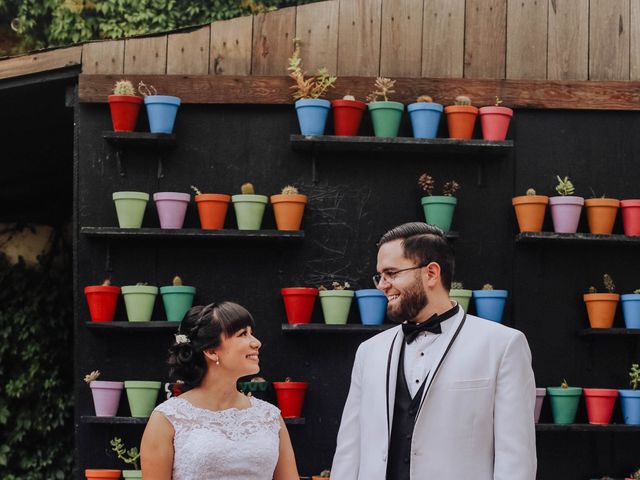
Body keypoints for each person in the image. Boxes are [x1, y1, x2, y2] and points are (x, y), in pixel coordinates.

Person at [331, 222, 536, 480]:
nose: (382, 285)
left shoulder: (503, 346)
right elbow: (350, 450)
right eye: (380, 276)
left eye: (391, 273)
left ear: (431, 273)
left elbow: (516, 460)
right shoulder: (369, 352)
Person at [141, 301, 300, 480]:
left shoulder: (270, 417)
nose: (256, 343)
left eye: (252, 333)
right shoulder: (167, 419)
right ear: (211, 350)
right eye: (243, 334)